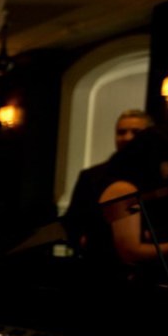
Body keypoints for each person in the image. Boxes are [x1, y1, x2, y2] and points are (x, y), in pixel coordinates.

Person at [96, 126, 168, 282]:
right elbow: (130, 251)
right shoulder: (123, 190)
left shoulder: (133, 188)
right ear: (154, 160)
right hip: (111, 281)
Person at [64, 109, 153, 255]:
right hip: (100, 263)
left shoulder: (156, 174)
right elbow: (72, 221)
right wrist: (84, 242)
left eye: (136, 132)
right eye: (121, 132)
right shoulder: (92, 176)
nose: (127, 138)